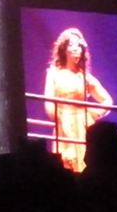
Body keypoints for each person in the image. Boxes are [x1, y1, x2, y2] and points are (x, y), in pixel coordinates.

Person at [43, 28, 112, 172]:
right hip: (63, 126)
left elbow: (107, 101)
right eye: (71, 44)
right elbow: (48, 104)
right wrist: (62, 120)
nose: (76, 48)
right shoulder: (54, 74)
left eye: (78, 45)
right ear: (64, 49)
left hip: (83, 126)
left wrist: (92, 114)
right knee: (65, 165)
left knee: (85, 163)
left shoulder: (85, 77)